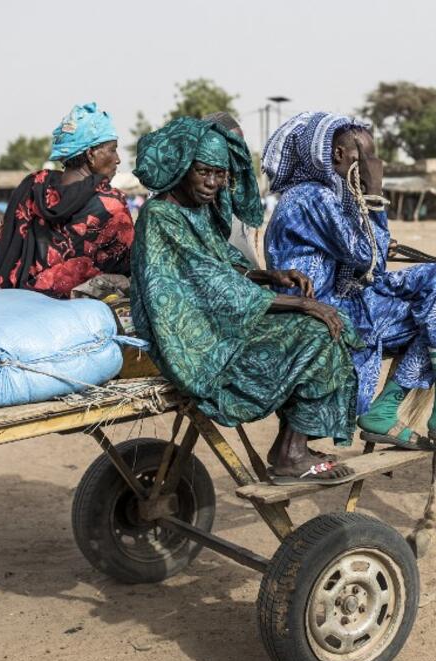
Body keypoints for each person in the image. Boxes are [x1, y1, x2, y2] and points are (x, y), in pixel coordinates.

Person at [130, 117, 360, 485]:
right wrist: (302, 304)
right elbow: (212, 283)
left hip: (215, 318)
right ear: (181, 169)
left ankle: (292, 446)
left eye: (220, 175)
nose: (212, 183)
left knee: (331, 327)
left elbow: (222, 263)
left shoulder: (196, 211)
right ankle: (290, 455)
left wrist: (271, 275)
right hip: (192, 338)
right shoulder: (160, 216)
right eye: (204, 172)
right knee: (316, 333)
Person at [263, 112, 436, 454]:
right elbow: (367, 256)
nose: (373, 165)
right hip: (322, 309)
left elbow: (364, 254)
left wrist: (371, 238)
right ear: (338, 155)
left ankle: (397, 408)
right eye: (367, 158)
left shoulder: (320, 195)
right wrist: (375, 192)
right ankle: (430, 409)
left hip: (340, 299)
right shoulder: (313, 197)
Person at [0, 102, 133, 298]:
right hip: (74, 311)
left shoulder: (33, 186)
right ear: (91, 154)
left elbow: (2, 249)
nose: (117, 159)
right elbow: (126, 266)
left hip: (17, 300)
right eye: (112, 150)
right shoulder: (110, 204)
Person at [203, 111, 264, 268]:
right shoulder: (197, 198)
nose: (238, 154)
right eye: (231, 147)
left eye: (240, 146)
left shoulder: (235, 194)